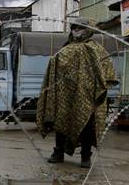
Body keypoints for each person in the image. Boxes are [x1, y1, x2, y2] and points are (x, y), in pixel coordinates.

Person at [36, 18, 118, 168]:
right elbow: (54, 71)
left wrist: (97, 87)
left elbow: (107, 71)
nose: (76, 31)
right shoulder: (65, 49)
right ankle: (58, 152)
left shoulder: (95, 49)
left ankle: (86, 157)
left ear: (88, 31)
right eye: (74, 28)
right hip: (64, 97)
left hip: (87, 97)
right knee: (61, 122)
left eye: (80, 28)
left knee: (86, 125)